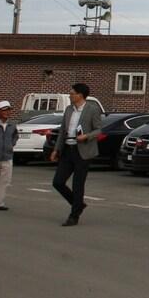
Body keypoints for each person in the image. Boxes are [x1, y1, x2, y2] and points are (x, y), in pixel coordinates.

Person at [49, 82, 103, 227]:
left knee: (78, 184)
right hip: (68, 149)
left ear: (80, 95)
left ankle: (74, 215)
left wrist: (86, 136)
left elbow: (98, 130)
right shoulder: (68, 110)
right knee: (58, 182)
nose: (70, 95)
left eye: (72, 93)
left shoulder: (92, 109)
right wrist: (56, 150)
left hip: (83, 152)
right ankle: (77, 203)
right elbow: (62, 131)